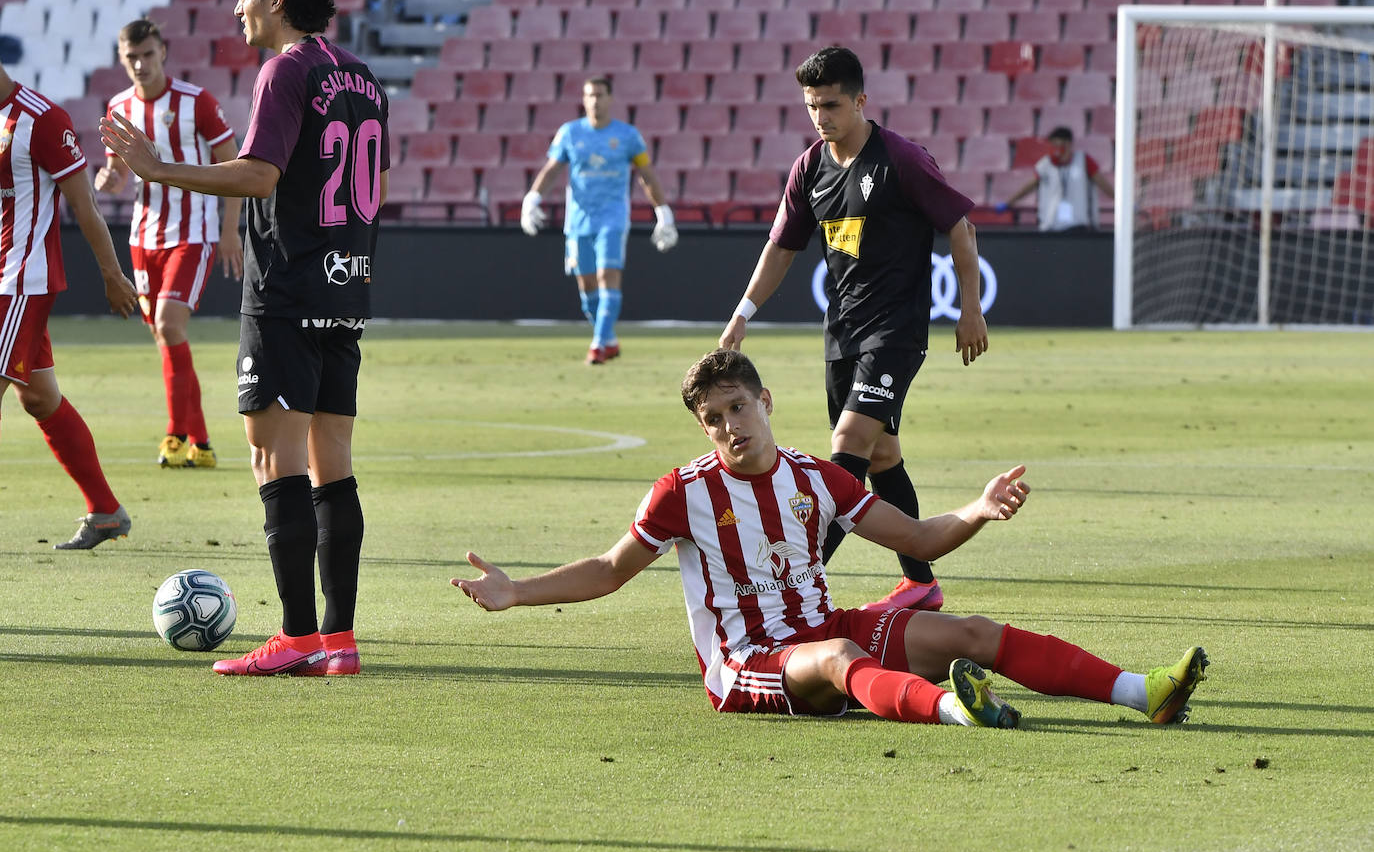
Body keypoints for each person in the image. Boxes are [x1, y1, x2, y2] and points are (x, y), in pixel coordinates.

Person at [454, 349, 1208, 728]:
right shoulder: (684, 492)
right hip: (748, 664)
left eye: (738, 408)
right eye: (712, 419)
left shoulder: (817, 478)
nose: (729, 428)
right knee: (842, 656)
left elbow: (918, 537)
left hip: (823, 630)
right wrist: (517, 590)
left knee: (971, 631)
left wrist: (977, 510)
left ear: (765, 401)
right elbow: (611, 569)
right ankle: (955, 711)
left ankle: (1146, 694)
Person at [101, 0, 388, 676]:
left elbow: (260, 176)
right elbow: (371, 177)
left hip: (287, 290)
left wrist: (159, 169)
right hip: (346, 284)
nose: (236, 6)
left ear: (277, 0)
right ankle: (339, 638)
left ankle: (294, 638)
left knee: (274, 460)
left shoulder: (283, 71)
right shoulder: (361, 76)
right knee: (335, 465)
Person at [718, 46, 987, 614]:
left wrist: (970, 309)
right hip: (841, 334)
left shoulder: (902, 160)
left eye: (832, 105)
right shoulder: (809, 167)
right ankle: (921, 583)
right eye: (812, 106)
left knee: (848, 449)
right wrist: (743, 312)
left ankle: (795, 578)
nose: (821, 116)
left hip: (895, 332)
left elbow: (960, 229)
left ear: (861, 101)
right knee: (883, 458)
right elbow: (781, 248)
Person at [0, 64, 140, 548]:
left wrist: (113, 275)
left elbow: (83, 204)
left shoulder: (40, 119)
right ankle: (105, 511)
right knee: (38, 397)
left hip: (20, 281)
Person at [95, 18, 243, 469]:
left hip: (192, 233)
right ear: (122, 60)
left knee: (169, 325)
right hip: (144, 236)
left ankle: (175, 436)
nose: (140, 64)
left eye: (147, 55)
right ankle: (201, 442)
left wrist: (229, 228)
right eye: (131, 58)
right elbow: (118, 171)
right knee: (164, 334)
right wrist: (109, 178)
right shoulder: (119, 105)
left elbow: (230, 161)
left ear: (163, 52)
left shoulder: (196, 102)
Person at [520, 76, 678, 365]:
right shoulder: (569, 133)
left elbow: (646, 175)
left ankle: (597, 346)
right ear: (584, 99)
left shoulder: (628, 136)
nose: (595, 100)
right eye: (590, 95)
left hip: (613, 218)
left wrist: (663, 212)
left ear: (610, 99)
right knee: (587, 286)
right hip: (578, 220)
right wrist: (532, 198)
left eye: (600, 95)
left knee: (608, 278)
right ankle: (609, 339)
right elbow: (552, 169)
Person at [996, 126, 1114, 232]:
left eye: (1059, 146)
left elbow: (1103, 184)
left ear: (1068, 144)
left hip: (1077, 226)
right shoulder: (1045, 165)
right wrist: (1008, 203)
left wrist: (1122, 202)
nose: (1056, 150)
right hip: (1050, 226)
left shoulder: (1083, 161)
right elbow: (1028, 187)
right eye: (1053, 146)